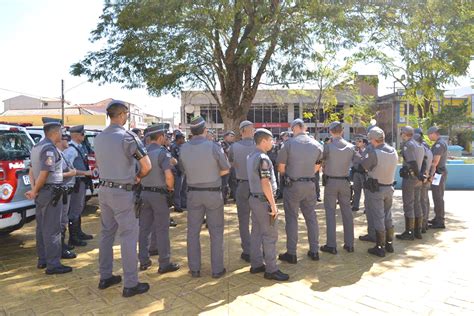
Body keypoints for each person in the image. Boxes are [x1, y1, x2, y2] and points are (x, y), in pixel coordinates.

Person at [95, 100, 152, 298]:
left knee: (106, 234)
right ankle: (130, 283)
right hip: (122, 192)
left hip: (103, 191)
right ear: (122, 114)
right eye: (126, 114)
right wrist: (138, 178)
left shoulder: (99, 137)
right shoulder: (128, 137)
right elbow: (147, 166)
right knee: (128, 235)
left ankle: (105, 276)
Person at [179, 116, 230, 278]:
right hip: (213, 193)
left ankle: (194, 268)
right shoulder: (213, 147)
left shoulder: (183, 148)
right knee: (216, 232)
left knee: (192, 232)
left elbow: (183, 169)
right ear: (204, 130)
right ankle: (217, 269)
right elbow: (226, 169)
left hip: (193, 193)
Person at [25, 117, 73, 274]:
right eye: (61, 131)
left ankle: (43, 260)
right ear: (56, 132)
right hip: (51, 192)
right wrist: (35, 190)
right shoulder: (49, 149)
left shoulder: (36, 147)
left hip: (42, 192)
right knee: (52, 229)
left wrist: (34, 190)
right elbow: (45, 173)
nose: (62, 134)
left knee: (41, 228)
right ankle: (53, 265)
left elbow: (32, 171)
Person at [277, 119, 323, 263]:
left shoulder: (288, 144)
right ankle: (314, 251)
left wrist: (291, 175)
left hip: (293, 185)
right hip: (310, 184)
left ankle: (292, 253)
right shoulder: (317, 144)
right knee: (311, 218)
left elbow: (281, 168)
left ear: (296, 128)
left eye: (292, 128)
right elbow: (318, 166)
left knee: (292, 218)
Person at [137, 124, 180, 274]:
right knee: (162, 229)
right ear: (160, 137)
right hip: (159, 194)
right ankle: (164, 262)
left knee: (144, 229)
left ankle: (143, 260)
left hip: (144, 194)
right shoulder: (163, 153)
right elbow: (169, 176)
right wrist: (171, 189)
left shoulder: (141, 152)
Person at [247, 128, 289, 281]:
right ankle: (271, 269)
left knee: (257, 232)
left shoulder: (251, 155)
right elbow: (265, 183)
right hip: (263, 200)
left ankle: (257, 264)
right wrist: (273, 205)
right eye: (271, 140)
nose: (273, 142)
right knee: (270, 235)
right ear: (264, 141)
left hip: (254, 199)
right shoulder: (263, 159)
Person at [358, 127, 398, 257]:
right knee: (388, 215)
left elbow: (363, 166)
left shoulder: (375, 153)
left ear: (373, 139)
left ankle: (380, 247)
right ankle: (389, 243)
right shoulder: (393, 151)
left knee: (378, 217)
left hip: (376, 189)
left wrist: (363, 154)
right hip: (389, 188)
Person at [320, 121, 356, 254]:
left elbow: (321, 162)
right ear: (342, 131)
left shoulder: (327, 147)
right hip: (345, 182)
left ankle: (331, 245)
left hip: (331, 182)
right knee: (347, 213)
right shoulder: (351, 147)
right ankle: (350, 244)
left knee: (330, 213)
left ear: (330, 132)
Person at [228, 120, 256, 263]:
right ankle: (257, 250)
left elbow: (230, 163)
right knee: (258, 220)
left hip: (242, 185)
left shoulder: (234, 147)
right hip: (257, 187)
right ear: (247, 130)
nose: (254, 130)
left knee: (243, 220)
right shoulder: (258, 145)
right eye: (252, 128)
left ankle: (247, 251)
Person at [64, 125, 93, 247]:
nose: (84, 136)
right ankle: (73, 237)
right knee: (75, 209)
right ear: (75, 135)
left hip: (81, 182)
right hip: (75, 182)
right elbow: (67, 167)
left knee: (79, 207)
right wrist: (85, 172)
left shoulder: (79, 147)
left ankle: (78, 232)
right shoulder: (71, 149)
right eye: (82, 134)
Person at [396, 126, 425, 240]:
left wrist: (418, 174)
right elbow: (424, 161)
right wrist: (421, 175)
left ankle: (409, 232)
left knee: (408, 204)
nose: (401, 135)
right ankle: (418, 231)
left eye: (401, 133)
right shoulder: (419, 145)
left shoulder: (408, 145)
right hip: (417, 178)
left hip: (410, 178)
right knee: (416, 203)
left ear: (405, 134)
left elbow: (412, 161)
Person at [56, 133, 77, 259]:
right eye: (65, 138)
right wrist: (71, 173)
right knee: (61, 220)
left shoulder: (62, 153)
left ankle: (62, 245)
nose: (68, 140)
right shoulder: (57, 153)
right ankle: (60, 248)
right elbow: (55, 174)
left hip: (66, 190)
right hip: (61, 191)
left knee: (63, 219)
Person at [427, 126, 448, 229]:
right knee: (437, 196)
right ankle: (438, 217)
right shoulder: (440, 143)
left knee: (438, 196)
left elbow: (435, 162)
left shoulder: (439, 145)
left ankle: (440, 221)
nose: (428, 137)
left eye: (429, 135)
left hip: (438, 173)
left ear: (434, 133)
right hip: (439, 172)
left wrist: (431, 175)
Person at [414, 128, 433, 233]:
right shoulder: (427, 147)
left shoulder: (421, 147)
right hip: (427, 177)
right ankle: (424, 224)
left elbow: (423, 163)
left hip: (422, 178)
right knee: (425, 201)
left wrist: (424, 176)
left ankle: (420, 226)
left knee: (420, 202)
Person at [170, 132, 187, 212]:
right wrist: (179, 169)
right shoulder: (174, 147)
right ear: (179, 139)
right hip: (177, 171)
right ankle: (177, 205)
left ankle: (183, 203)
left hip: (183, 170)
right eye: (182, 138)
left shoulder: (181, 146)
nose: (184, 140)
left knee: (183, 189)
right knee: (178, 189)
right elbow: (175, 161)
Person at [352, 136, 368, 212]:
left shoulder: (368, 151)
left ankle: (367, 208)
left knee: (366, 191)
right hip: (356, 173)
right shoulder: (354, 151)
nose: (357, 142)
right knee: (356, 190)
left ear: (364, 143)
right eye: (357, 141)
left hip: (364, 174)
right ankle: (355, 205)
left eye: (359, 141)